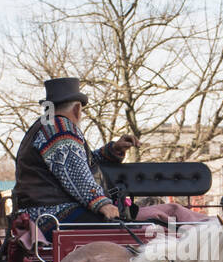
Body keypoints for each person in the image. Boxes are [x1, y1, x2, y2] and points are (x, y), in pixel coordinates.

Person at [12, 77, 136, 236]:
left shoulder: (46, 124)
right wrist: (102, 203)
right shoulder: (60, 128)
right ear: (77, 108)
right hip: (51, 215)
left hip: (35, 214)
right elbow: (76, 174)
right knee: (127, 234)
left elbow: (74, 163)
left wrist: (112, 150)